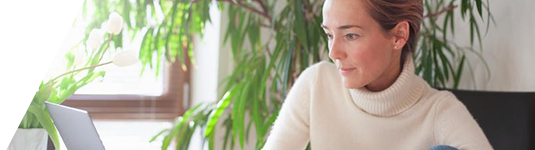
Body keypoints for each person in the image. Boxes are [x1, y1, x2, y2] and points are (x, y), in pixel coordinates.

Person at [262, 0, 493, 149]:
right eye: (329, 35)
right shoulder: (316, 85)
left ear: (398, 36)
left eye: (351, 35)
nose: (334, 53)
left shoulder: (438, 112)